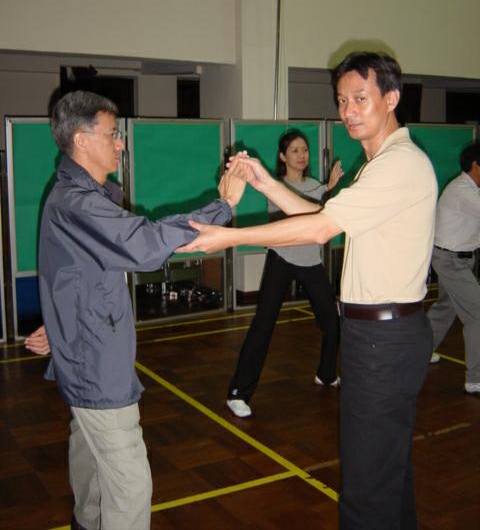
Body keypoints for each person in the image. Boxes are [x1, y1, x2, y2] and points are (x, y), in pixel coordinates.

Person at [178, 52, 438, 530]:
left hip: (384, 339)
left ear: (391, 98)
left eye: (360, 98)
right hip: (384, 335)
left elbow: (319, 228)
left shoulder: (398, 165)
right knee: (386, 474)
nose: (348, 111)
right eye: (341, 101)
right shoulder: (381, 164)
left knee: (367, 487)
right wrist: (264, 182)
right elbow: (319, 214)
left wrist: (229, 237)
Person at [24, 90, 244, 530]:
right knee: (130, 485)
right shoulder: (78, 202)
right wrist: (224, 206)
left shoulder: (77, 195)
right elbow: (144, 245)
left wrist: (59, 322)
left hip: (84, 347)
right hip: (95, 362)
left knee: (91, 465)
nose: (121, 143)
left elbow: (66, 272)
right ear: (82, 140)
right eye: (112, 134)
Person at [227, 129, 343, 418]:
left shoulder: (316, 186)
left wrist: (327, 189)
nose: (302, 155)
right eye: (294, 150)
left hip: (311, 262)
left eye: (305, 150)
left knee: (332, 323)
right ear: (282, 156)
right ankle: (238, 393)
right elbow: (301, 210)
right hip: (282, 260)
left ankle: (327, 373)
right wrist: (326, 191)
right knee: (263, 326)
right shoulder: (276, 187)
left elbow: (324, 213)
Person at [428, 142, 480, 396]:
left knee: (444, 310)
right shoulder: (462, 191)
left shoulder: (472, 190)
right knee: (477, 314)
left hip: (460, 259)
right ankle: (475, 379)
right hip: (450, 261)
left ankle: (420, 351)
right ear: (476, 166)